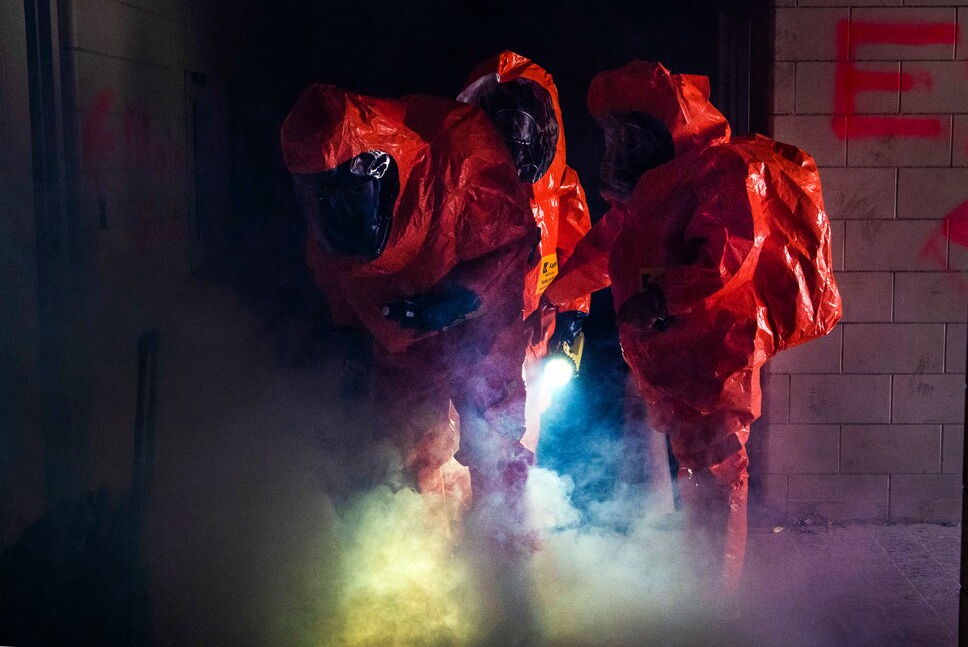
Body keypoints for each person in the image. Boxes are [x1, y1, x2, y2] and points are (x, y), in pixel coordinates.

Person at [544, 60, 842, 594]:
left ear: (668, 131)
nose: (621, 150)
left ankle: (712, 603)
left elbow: (731, 253)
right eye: (616, 137)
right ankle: (694, 579)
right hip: (677, 352)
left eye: (633, 137)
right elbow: (604, 249)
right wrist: (549, 295)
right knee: (696, 467)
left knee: (717, 469)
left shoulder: (716, 174)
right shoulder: (648, 193)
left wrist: (659, 297)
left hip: (716, 352)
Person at [280, 83, 539, 550]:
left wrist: (461, 298)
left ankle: (506, 569)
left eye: (344, 187)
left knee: (492, 440)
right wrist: (346, 336)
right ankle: (422, 559)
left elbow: (514, 241)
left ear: (376, 164)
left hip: (480, 330)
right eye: (320, 191)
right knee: (405, 444)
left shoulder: (459, 159)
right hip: (400, 339)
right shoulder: (325, 222)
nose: (333, 206)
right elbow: (334, 277)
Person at [459, 51, 593, 452]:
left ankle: (510, 514)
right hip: (472, 339)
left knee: (521, 442)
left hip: (534, 335)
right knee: (462, 446)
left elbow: (579, 258)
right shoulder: (460, 187)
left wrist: (572, 318)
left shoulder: (562, 189)